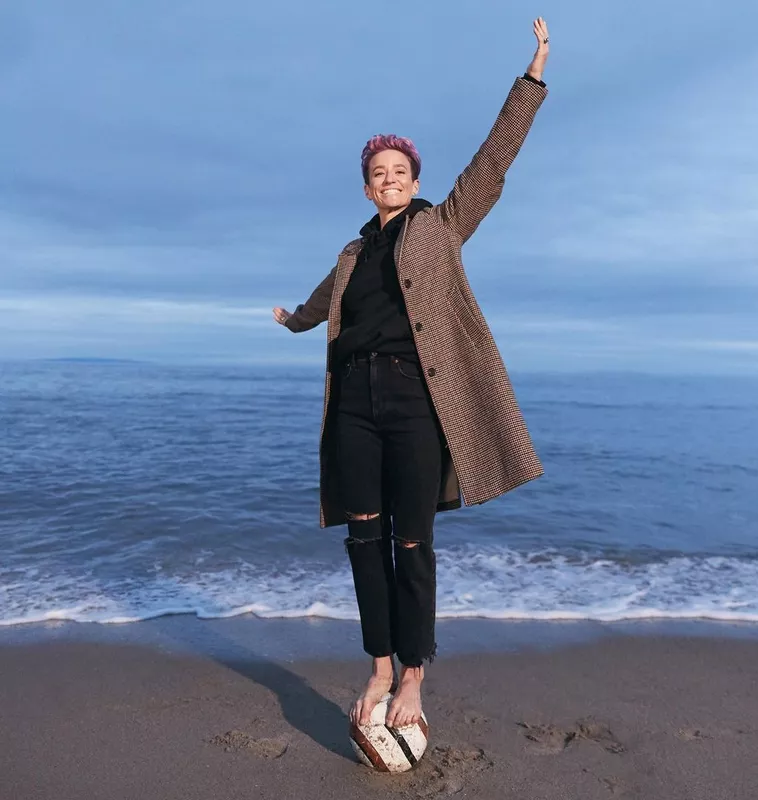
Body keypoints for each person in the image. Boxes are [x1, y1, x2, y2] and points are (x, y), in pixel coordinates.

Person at [273, 16, 550, 730]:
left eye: (400, 171)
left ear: (415, 182)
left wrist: (532, 80)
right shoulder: (350, 255)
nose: (389, 180)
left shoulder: (441, 225)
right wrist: (292, 321)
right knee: (363, 537)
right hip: (354, 405)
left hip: (416, 398)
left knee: (410, 543)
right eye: (378, 174)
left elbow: (492, 165)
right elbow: (322, 302)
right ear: (368, 189)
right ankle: (378, 666)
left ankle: (414, 681)